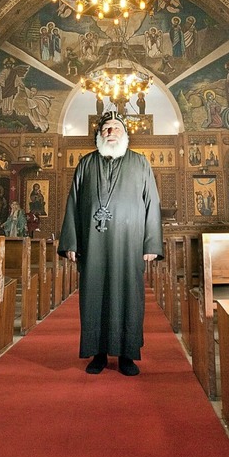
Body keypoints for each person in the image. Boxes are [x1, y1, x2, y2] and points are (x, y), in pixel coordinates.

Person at [58, 110, 163, 376]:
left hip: (129, 244)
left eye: (116, 128)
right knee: (94, 295)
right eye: (106, 128)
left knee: (128, 295)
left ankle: (128, 354)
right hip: (94, 243)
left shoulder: (140, 163)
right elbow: (72, 203)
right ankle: (99, 353)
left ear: (125, 134)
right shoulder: (86, 163)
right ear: (99, 135)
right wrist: (71, 241)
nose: (111, 132)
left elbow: (152, 203)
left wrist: (151, 244)